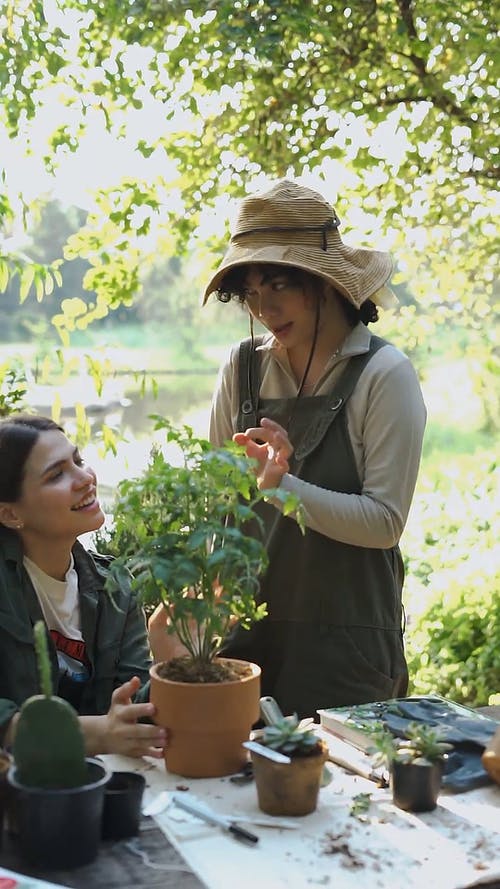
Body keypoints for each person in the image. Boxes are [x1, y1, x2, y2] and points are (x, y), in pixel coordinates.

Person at [203, 180, 427, 720]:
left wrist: (283, 488)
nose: (265, 306)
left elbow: (384, 522)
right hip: (245, 636)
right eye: (251, 291)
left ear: (325, 283)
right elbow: (216, 504)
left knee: (348, 796)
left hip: (346, 643)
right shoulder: (243, 367)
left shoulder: (383, 374)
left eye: (280, 284)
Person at [0, 413, 167, 758]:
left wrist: (174, 665)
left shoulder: (117, 587)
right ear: (11, 514)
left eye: (78, 461)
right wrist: (97, 732)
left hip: (98, 780)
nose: (86, 478)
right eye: (56, 474)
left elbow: (131, 710)